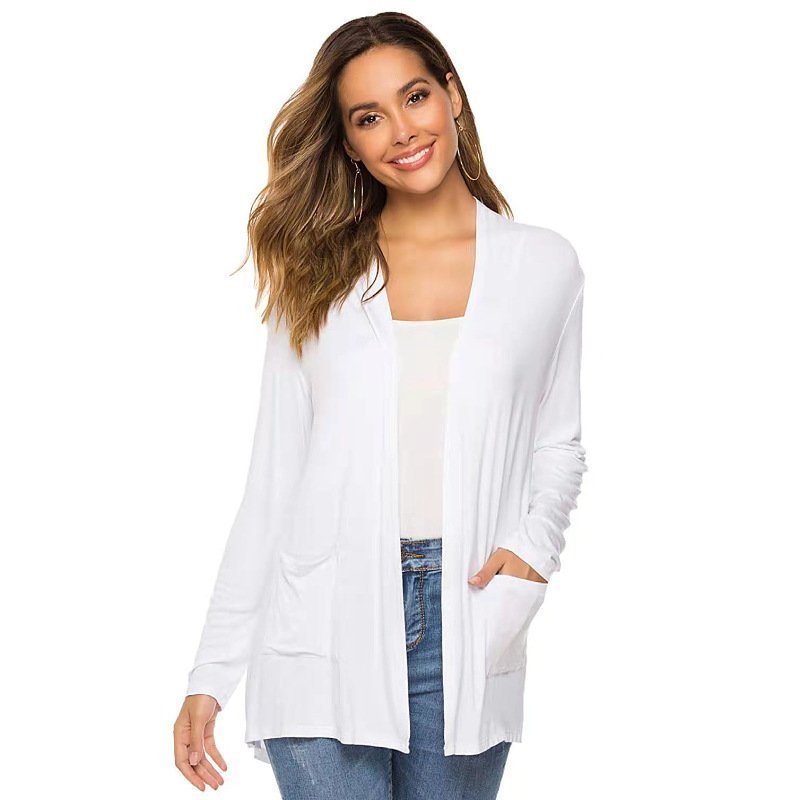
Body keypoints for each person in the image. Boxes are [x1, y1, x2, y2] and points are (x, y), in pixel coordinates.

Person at [173, 12, 588, 799]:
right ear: (350, 143)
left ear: (452, 95)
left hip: (468, 610)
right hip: (321, 619)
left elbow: (558, 442)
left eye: (415, 97)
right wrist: (211, 672)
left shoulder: (543, 266)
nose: (402, 130)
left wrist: (534, 550)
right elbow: (274, 481)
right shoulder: (319, 277)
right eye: (369, 117)